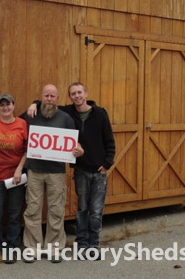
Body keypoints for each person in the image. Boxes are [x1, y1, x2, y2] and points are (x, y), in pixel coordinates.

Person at [27, 82, 115, 257]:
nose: (49, 99)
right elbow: (16, 120)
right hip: (51, 170)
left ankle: (72, 247)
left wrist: (102, 160)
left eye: (79, 92)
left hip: (76, 171)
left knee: (73, 210)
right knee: (37, 210)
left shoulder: (81, 115)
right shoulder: (43, 113)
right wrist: (34, 103)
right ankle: (39, 248)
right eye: (46, 96)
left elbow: (98, 141)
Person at [21, 84, 83, 263]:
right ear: (41, 97)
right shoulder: (31, 114)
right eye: (46, 96)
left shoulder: (66, 118)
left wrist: (78, 150)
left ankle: (54, 248)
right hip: (34, 170)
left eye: (52, 96)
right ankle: (33, 248)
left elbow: (74, 143)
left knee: (56, 210)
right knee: (33, 209)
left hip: (56, 172)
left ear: (57, 98)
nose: (49, 99)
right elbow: (12, 122)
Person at [0, 93, 28, 264]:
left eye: (8, 104)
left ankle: (12, 246)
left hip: (16, 177)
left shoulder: (22, 124)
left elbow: (27, 149)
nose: (5, 108)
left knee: (14, 213)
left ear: (13, 105)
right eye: (1, 105)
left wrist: (19, 169)